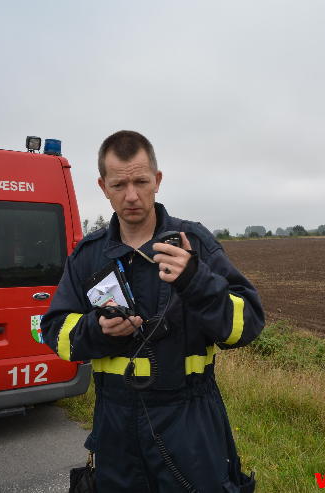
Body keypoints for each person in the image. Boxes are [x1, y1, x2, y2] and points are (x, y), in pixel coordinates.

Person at [40, 130, 264, 492]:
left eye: (141, 181)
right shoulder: (87, 257)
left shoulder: (195, 245)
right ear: (103, 186)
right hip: (115, 428)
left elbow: (248, 325)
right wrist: (96, 330)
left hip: (190, 421)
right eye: (119, 184)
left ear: (157, 181)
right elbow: (55, 333)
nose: (131, 196)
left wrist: (196, 281)